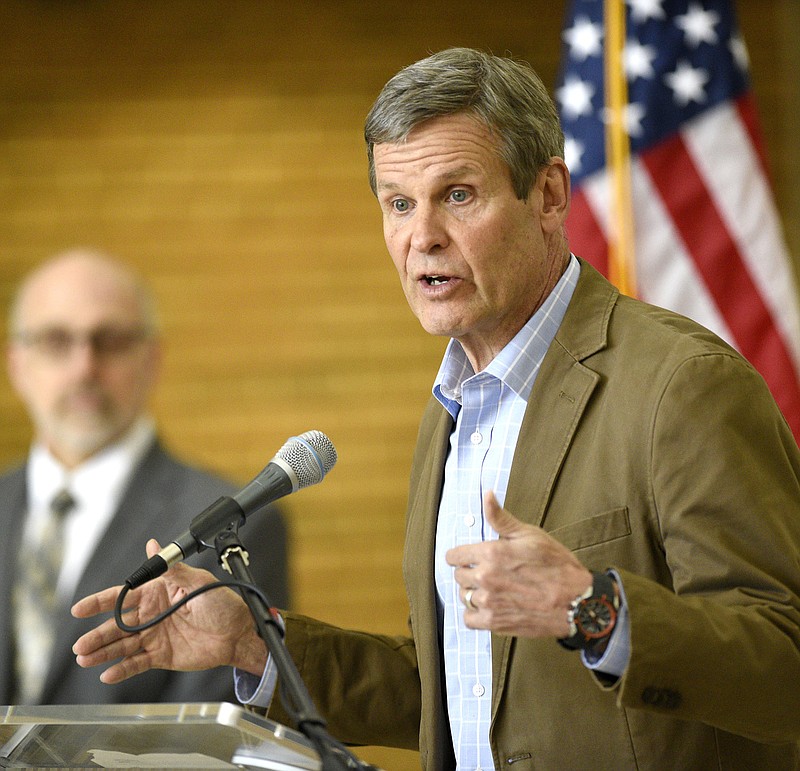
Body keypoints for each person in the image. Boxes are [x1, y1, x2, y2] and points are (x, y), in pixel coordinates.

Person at [72, 49, 800, 769]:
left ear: (548, 196)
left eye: (457, 194)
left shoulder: (682, 384)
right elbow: (457, 688)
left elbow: (784, 662)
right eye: (398, 202)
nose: (422, 236)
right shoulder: (453, 410)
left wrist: (594, 609)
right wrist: (256, 639)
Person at [1, 247, 290, 706]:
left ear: (152, 360)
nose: (84, 368)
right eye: (57, 341)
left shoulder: (238, 523)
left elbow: (212, 737)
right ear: (16, 364)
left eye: (109, 341)